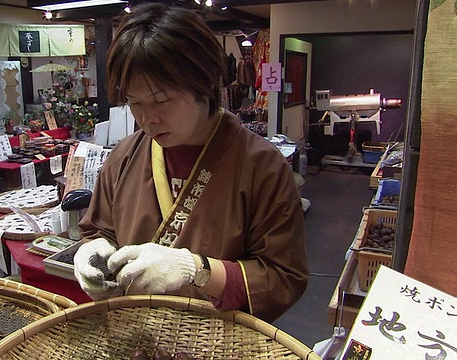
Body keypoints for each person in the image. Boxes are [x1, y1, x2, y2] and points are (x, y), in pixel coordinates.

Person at [73, 3, 308, 322]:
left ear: (206, 82)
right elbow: (99, 229)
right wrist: (93, 251)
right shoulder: (125, 154)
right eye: (134, 102)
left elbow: (282, 279)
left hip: (218, 340)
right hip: (137, 333)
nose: (148, 119)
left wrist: (198, 270)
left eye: (162, 100)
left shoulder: (262, 166)